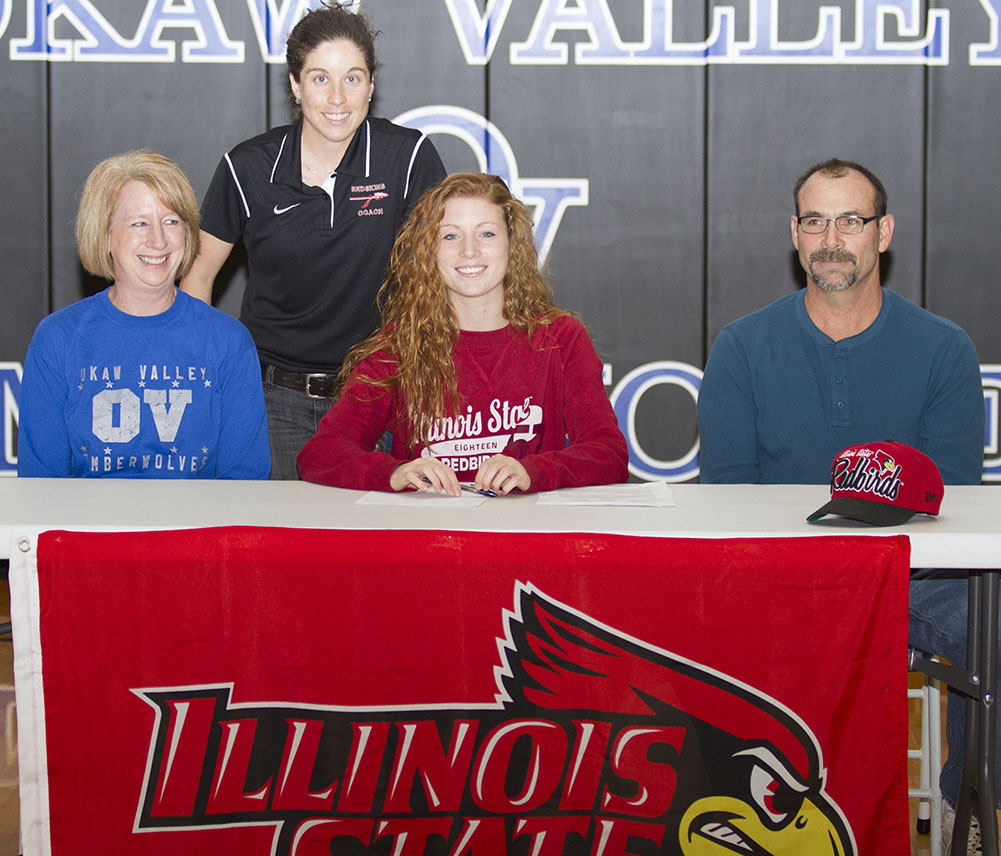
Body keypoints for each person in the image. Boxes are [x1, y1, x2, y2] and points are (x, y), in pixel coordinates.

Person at [697, 158, 991, 848]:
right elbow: (727, 496)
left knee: (996, 622)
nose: (831, 238)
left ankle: (965, 808)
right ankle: (735, 820)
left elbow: (951, 500)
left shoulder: (944, 349)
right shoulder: (742, 347)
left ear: (882, 233)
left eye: (849, 221)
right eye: (814, 221)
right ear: (794, 235)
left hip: (912, 583)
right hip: (779, 578)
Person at [181, 2, 446, 479]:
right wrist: (211, 382)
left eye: (353, 77)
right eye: (321, 78)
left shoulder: (406, 158)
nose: (338, 97)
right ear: (295, 85)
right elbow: (197, 275)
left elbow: (446, 267)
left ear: (371, 85)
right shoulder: (249, 168)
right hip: (272, 401)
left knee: (370, 548)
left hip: (377, 396)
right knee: (281, 548)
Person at [297, 173, 628, 495]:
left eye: (486, 234)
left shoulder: (561, 339)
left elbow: (608, 454)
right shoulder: (399, 346)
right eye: (450, 236)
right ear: (430, 250)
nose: (469, 250)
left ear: (512, 245)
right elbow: (321, 453)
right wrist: (395, 472)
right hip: (428, 540)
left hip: (528, 537)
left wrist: (534, 471)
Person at [17, 151, 269, 479]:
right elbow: (41, 486)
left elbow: (245, 484)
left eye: (171, 221)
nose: (158, 240)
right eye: (139, 223)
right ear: (105, 235)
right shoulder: (57, 339)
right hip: (91, 530)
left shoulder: (228, 342)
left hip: (197, 529)